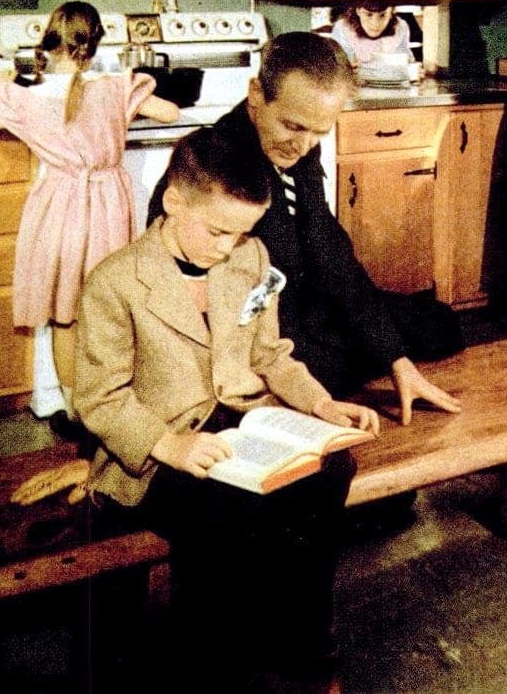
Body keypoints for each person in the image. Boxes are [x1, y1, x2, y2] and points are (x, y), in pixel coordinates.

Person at [74, 129, 378, 690]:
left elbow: (269, 354)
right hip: (155, 450)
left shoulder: (251, 257)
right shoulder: (115, 283)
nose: (227, 247)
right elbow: (99, 397)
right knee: (225, 515)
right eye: (217, 230)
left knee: (331, 469)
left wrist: (320, 402)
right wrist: (170, 445)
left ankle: (305, 643)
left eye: (242, 233)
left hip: (241, 422)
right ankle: (218, 665)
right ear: (173, 201)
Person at [149, 31, 462, 427]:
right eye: (294, 126)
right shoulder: (217, 160)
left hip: (305, 305)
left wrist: (396, 361)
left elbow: (329, 251)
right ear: (256, 95)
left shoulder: (295, 147)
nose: (304, 145)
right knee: (330, 367)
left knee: (437, 324)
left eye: (319, 132)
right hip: (252, 331)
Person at [0, 1, 179, 421]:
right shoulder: (114, 87)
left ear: (46, 43)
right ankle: (107, 403)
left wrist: (1, 82)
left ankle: (74, 407)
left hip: (61, 207)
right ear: (95, 43)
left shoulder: (29, 98)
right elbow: (169, 111)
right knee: (104, 305)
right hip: (108, 206)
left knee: (65, 313)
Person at [330, 2, 412, 68]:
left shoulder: (400, 28)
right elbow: (337, 68)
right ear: (358, 10)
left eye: (383, 15)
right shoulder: (343, 29)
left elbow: (405, 60)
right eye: (368, 15)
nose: (375, 24)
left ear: (392, 11)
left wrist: (414, 70)